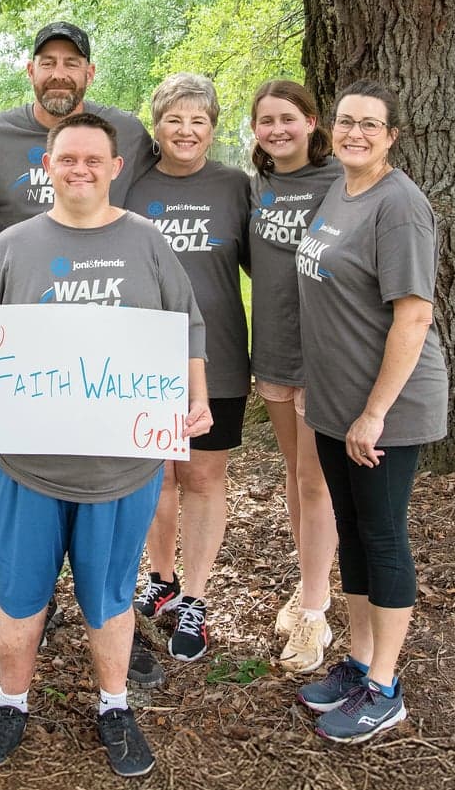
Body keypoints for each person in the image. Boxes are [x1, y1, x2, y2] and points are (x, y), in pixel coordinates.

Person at [0, 113, 212, 778]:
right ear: (48, 168)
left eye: (94, 159)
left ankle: (114, 706)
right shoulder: (14, 246)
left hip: (120, 463)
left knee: (111, 597)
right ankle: (11, 701)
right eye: (67, 159)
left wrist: (195, 398)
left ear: (115, 168)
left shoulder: (147, 243)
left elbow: (187, 326)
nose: (80, 169)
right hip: (21, 463)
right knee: (21, 597)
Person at [295, 79, 447, 743]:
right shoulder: (341, 188)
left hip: (386, 407)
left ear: (391, 135)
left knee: (382, 535)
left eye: (370, 124)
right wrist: (317, 382)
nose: (355, 132)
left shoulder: (400, 206)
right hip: (335, 401)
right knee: (352, 534)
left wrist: (374, 412)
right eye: (346, 121)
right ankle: (358, 662)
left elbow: (413, 316)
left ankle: (386, 686)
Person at [122, 73, 250, 664]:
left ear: (214, 128)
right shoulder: (133, 183)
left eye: (199, 120)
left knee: (202, 477)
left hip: (217, 356)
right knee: (158, 477)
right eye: (175, 119)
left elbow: (271, 266)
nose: (186, 130)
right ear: (157, 125)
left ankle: (195, 599)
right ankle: (161, 579)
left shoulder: (235, 186)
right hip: (142, 358)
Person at [248, 80, 344, 672]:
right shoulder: (256, 186)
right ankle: (310, 583)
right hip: (274, 350)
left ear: (311, 121)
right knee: (295, 473)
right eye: (265, 121)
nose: (277, 129)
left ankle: (315, 612)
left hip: (324, 355)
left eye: (288, 118)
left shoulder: (340, 183)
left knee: (315, 482)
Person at [0, 21, 156, 238]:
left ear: (90, 73)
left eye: (71, 63)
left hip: (104, 269)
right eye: (48, 63)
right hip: (24, 270)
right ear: (31, 71)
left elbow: (176, 174)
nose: (59, 74)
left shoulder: (127, 132)